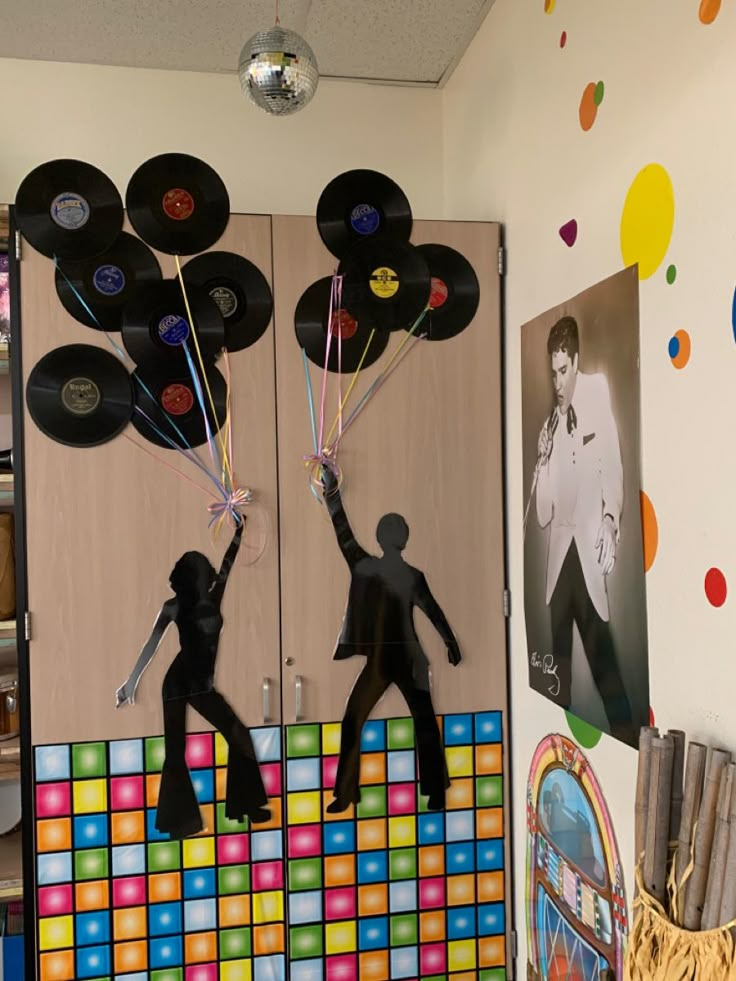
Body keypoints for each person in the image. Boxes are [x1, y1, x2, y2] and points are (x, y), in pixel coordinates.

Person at [115, 517, 270, 838]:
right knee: (175, 751)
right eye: (202, 572)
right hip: (177, 682)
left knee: (238, 733)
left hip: (202, 684)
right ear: (192, 578)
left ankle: (246, 806)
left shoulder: (213, 598)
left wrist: (239, 531)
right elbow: (151, 645)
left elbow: (228, 562)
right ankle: (179, 824)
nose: (209, 576)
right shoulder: (172, 607)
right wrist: (131, 683)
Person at [321, 467, 461, 812]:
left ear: (383, 539)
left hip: (386, 659)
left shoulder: (367, 566)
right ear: (404, 540)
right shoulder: (412, 575)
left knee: (354, 719)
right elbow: (434, 612)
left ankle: (346, 793)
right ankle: (435, 790)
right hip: (408, 658)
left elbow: (344, 536)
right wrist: (450, 642)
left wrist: (332, 495)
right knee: (423, 721)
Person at [535, 315, 635, 744]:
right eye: (553, 373)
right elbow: (541, 514)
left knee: (606, 670)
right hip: (560, 565)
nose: (558, 382)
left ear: (575, 361)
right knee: (557, 684)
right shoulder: (550, 427)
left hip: (589, 560)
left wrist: (611, 518)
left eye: (563, 370)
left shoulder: (596, 391)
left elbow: (612, 463)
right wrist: (541, 462)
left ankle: (630, 739)